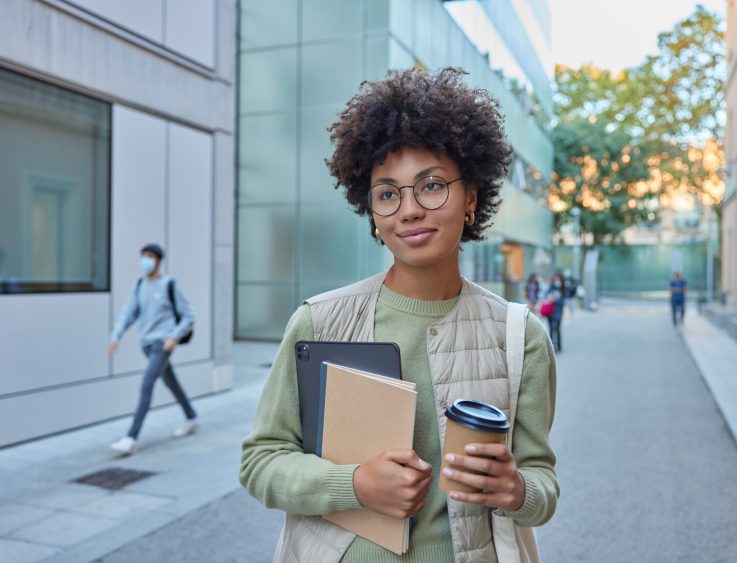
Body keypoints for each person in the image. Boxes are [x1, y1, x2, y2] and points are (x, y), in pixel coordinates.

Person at [240, 68, 558, 562]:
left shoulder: (519, 337)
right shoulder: (318, 322)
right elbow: (261, 462)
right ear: (372, 213)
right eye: (388, 193)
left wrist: (517, 489)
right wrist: (354, 484)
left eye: (431, 186)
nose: (408, 209)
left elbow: (542, 484)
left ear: (471, 198)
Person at [107, 243, 198, 455]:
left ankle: (131, 437)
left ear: (159, 260)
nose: (145, 260)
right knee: (171, 382)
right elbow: (128, 314)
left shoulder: (169, 284)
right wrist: (115, 337)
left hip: (162, 344)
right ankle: (192, 416)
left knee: (147, 384)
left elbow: (189, 315)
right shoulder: (139, 285)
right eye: (143, 256)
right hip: (146, 344)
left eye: (149, 256)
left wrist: (173, 337)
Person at [544, 272, 565, 353]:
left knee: (557, 328)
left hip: (558, 311)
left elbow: (565, 298)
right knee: (551, 329)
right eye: (555, 279)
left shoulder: (562, 288)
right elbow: (546, 296)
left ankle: (559, 345)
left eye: (558, 279)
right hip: (551, 311)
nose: (556, 281)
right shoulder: (551, 287)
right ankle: (552, 345)